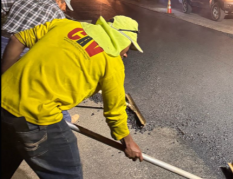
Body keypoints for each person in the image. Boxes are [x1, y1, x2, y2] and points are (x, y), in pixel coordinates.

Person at [1, 15, 144, 179]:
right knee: (68, 174)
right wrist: (128, 142)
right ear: (122, 39)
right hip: (33, 115)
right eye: (129, 48)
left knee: (9, 152)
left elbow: (17, 39)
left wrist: (5, 79)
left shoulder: (66, 25)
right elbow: (115, 110)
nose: (126, 54)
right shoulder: (112, 62)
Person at [1, 0, 79, 123]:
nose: (64, 9)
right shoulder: (58, 16)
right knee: (40, 86)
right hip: (21, 49)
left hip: (3, 39)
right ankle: (65, 120)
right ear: (59, 0)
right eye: (65, 6)